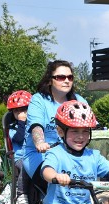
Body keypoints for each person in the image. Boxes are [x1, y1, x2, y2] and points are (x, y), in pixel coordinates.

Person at [21, 60, 87, 195]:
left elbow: (90, 126)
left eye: (70, 77)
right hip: (39, 154)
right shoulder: (39, 100)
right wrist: (40, 143)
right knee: (57, 189)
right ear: (50, 80)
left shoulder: (79, 101)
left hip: (69, 154)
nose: (67, 81)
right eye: (61, 77)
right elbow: (36, 125)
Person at [2, 90, 32, 204]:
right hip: (21, 158)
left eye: (24, 110)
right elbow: (18, 139)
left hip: (35, 155)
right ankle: (21, 194)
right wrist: (21, 123)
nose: (21, 113)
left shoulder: (35, 125)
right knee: (26, 164)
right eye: (17, 111)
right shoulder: (13, 127)